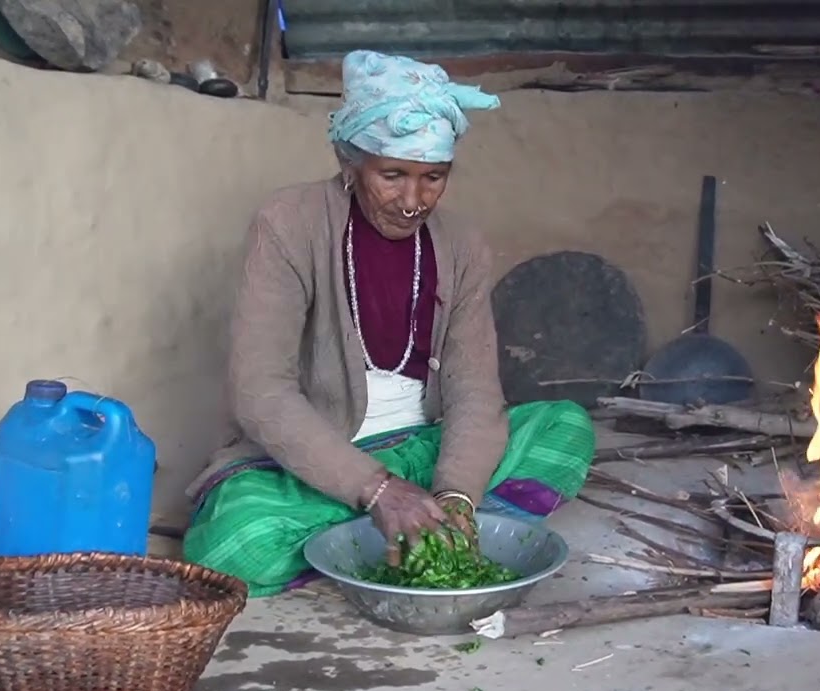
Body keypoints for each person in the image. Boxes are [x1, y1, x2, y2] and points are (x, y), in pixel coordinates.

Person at [182, 51, 596, 597]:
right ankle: (386, 521)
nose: (412, 201)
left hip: (422, 446)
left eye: (434, 178)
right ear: (351, 164)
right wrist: (377, 490)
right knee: (234, 542)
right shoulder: (289, 224)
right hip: (324, 457)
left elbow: (474, 393)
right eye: (393, 175)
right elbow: (262, 393)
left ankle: (405, 526)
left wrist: (456, 496)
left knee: (565, 429)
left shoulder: (462, 245)